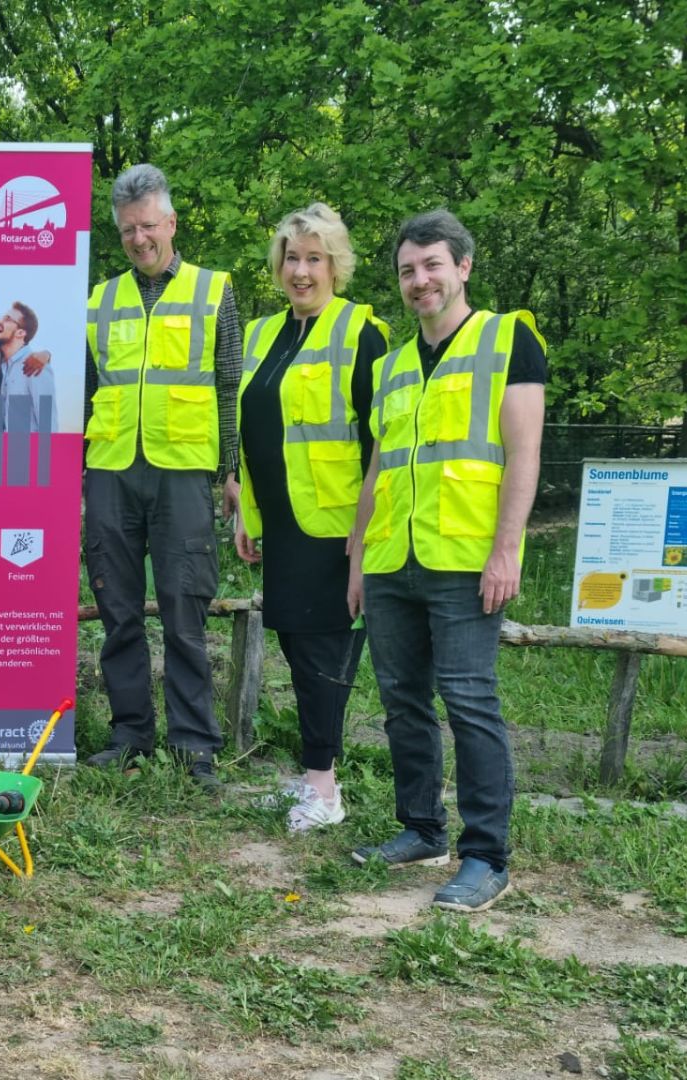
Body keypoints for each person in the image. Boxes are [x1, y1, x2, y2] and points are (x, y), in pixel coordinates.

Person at [347, 209, 546, 913]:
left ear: (462, 267)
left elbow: (525, 452)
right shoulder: (391, 366)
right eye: (407, 269)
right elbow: (380, 467)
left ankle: (486, 856)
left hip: (465, 560)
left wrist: (506, 549)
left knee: (468, 701)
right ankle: (421, 829)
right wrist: (358, 560)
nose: (419, 280)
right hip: (392, 559)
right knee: (402, 702)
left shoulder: (506, 341)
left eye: (432, 264)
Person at [81, 163, 242, 789]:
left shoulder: (213, 289)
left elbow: (230, 383)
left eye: (147, 226)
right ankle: (130, 734)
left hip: (184, 473)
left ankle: (194, 744)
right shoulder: (98, 299)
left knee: (184, 610)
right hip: (112, 469)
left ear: (170, 222)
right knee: (118, 609)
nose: (139, 240)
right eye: (127, 231)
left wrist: (231, 471)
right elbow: (87, 390)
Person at [229, 204, 389, 831]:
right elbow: (253, 427)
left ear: (335, 266)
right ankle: (312, 775)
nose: (301, 271)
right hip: (281, 521)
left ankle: (324, 789)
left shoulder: (360, 332)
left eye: (314, 259)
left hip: (334, 522)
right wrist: (245, 504)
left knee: (323, 649)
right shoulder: (264, 333)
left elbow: (383, 438)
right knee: (297, 646)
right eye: (292, 258)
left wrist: (363, 528)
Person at [0, 302, 55, 487]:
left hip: (28, 471)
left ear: (21, 333)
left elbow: (48, 425)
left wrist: (43, 477)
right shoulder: (2, 366)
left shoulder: (35, 365)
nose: (0, 320)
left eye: (7, 319)